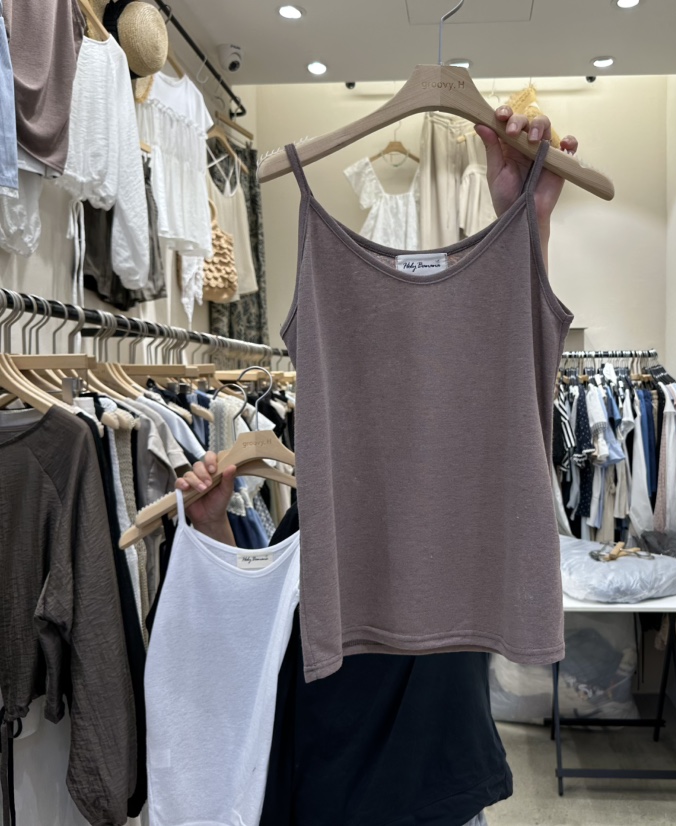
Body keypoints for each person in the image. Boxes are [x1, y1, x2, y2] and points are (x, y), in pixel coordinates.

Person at [175, 108, 576, 826]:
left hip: (434, 772)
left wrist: (527, 219)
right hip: (324, 772)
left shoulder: (474, 438)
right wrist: (217, 533)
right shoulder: (317, 503)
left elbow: (519, 341)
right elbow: (256, 635)